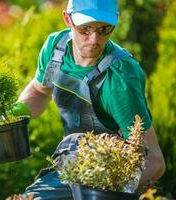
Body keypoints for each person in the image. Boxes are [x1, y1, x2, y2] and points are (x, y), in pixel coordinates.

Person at [9, 0, 166, 199]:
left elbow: (155, 161)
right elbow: (40, 92)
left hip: (108, 176)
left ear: (115, 21)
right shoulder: (55, 50)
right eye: (85, 29)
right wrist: (11, 115)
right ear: (68, 19)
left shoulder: (119, 80)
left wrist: (109, 189)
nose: (94, 40)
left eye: (104, 29)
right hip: (70, 164)